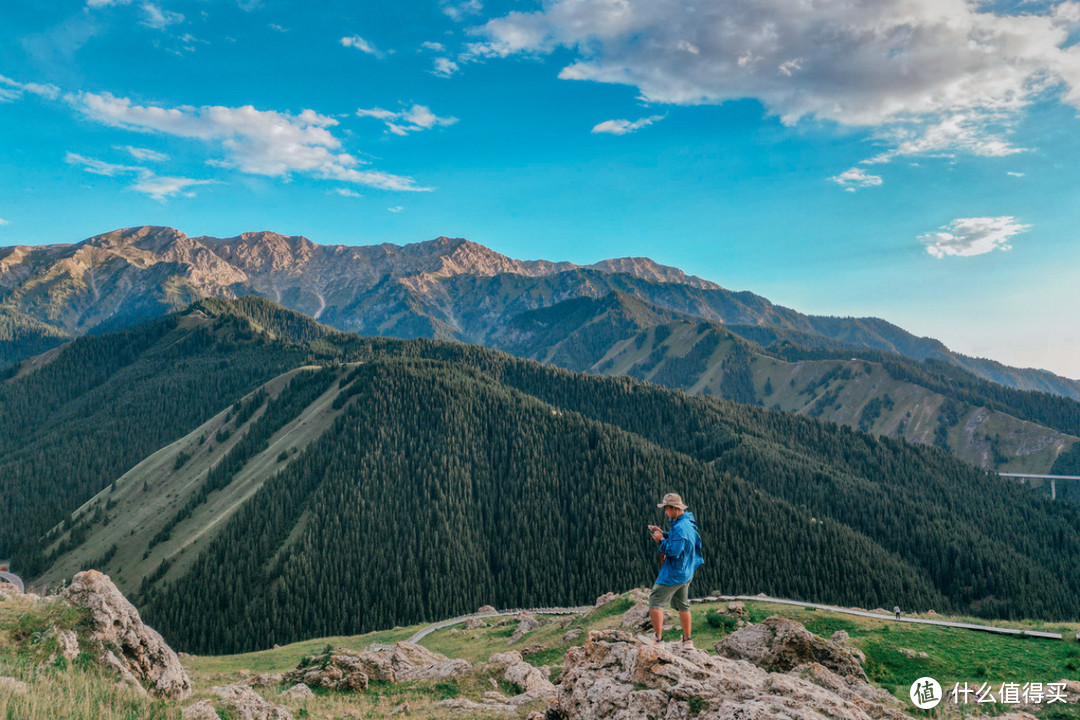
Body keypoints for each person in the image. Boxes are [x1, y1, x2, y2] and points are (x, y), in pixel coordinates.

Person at [647, 492, 704, 648]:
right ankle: (688, 641)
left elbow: (673, 551)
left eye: (666, 508)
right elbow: (678, 539)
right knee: (683, 605)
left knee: (655, 601)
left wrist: (660, 541)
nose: (665, 512)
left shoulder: (679, 528)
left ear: (674, 508)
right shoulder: (687, 521)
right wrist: (663, 533)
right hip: (687, 571)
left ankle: (658, 640)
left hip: (674, 573)